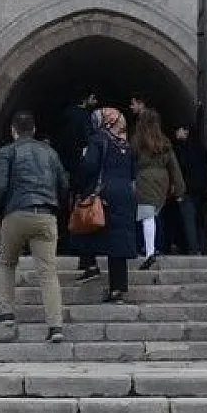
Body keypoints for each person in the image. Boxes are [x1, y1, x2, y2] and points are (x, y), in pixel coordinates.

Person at [0, 110, 69, 342]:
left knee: (7, 263)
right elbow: (64, 184)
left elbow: (0, 186)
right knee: (48, 272)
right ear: (33, 130)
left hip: (15, 213)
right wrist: (59, 211)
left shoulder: (7, 151)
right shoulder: (50, 152)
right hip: (45, 214)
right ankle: (55, 326)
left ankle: (7, 312)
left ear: (13, 131)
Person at [66, 107, 139, 304]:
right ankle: (117, 289)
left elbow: (89, 167)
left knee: (86, 226)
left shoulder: (98, 141)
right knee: (118, 243)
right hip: (124, 196)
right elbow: (133, 174)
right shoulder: (126, 146)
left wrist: (79, 178)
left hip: (103, 194)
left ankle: (89, 266)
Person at [131, 108, 184, 271]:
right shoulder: (165, 142)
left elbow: (130, 162)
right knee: (153, 215)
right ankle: (152, 248)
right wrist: (179, 189)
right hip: (162, 181)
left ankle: (149, 252)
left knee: (147, 217)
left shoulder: (137, 141)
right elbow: (174, 167)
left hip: (144, 179)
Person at [170, 123, 207, 254]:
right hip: (202, 190)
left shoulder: (183, 149)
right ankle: (202, 247)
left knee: (188, 219)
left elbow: (181, 169)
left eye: (179, 129)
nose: (176, 133)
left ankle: (193, 249)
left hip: (187, 189)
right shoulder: (200, 148)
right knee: (199, 220)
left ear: (186, 131)